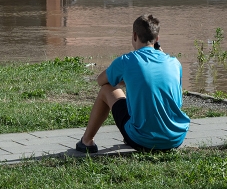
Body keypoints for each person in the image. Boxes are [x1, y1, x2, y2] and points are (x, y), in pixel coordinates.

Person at [77, 15, 190, 153]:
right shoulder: (174, 63)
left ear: (134, 36)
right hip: (175, 139)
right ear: (157, 39)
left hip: (143, 141)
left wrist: (127, 79)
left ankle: (87, 141)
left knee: (107, 89)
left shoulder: (127, 60)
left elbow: (101, 81)